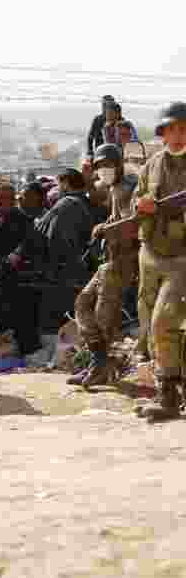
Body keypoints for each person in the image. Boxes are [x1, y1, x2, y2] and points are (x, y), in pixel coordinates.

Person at [69, 143, 138, 388]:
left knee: (103, 317)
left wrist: (106, 229)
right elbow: (117, 219)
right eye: (100, 167)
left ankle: (102, 366)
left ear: (118, 164)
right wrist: (104, 226)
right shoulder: (114, 189)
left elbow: (135, 223)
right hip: (110, 261)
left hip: (125, 262)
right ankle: (98, 362)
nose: (104, 170)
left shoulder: (130, 187)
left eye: (108, 165)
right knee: (82, 305)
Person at [133, 102, 186, 421]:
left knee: (164, 322)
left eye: (183, 129)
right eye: (171, 130)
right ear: (163, 133)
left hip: (182, 257)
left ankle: (169, 396)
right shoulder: (151, 165)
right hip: (150, 254)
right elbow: (135, 202)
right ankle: (166, 391)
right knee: (150, 324)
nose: (177, 136)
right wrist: (142, 205)